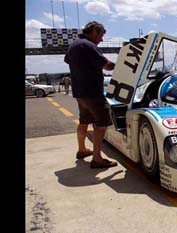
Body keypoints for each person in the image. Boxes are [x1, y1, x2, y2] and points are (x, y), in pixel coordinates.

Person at [64, 21, 117, 169]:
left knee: (84, 121)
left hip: (80, 92)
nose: (101, 40)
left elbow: (67, 59)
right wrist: (124, 64)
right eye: (101, 35)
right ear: (94, 31)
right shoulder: (88, 46)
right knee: (101, 125)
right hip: (93, 92)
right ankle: (97, 158)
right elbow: (106, 65)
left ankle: (82, 150)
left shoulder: (74, 45)